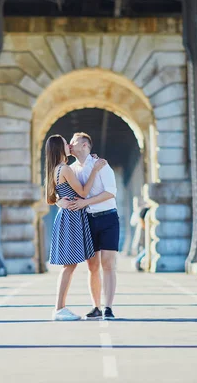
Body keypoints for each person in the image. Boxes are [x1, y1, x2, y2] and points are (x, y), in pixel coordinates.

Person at [45, 134, 107, 321]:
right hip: (72, 218)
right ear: (59, 148)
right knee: (69, 266)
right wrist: (95, 170)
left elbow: (53, 197)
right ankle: (59, 308)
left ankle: (60, 308)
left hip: (67, 216)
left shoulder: (55, 169)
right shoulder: (65, 169)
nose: (69, 146)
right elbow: (83, 192)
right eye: (66, 144)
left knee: (69, 266)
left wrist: (59, 202)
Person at [58, 132, 120, 320]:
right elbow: (61, 190)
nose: (69, 144)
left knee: (108, 264)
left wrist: (86, 202)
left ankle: (108, 308)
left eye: (73, 142)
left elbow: (111, 192)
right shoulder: (71, 169)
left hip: (108, 218)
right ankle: (96, 307)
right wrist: (59, 202)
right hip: (87, 220)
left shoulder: (101, 165)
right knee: (92, 266)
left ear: (85, 145)